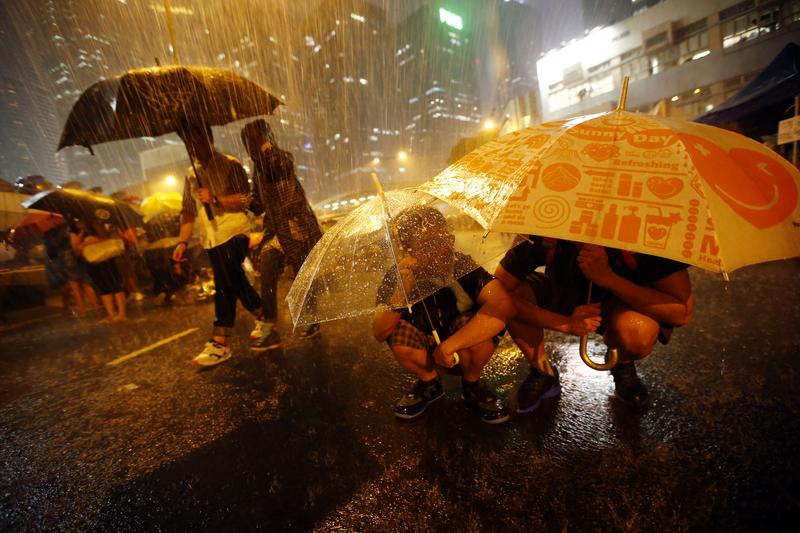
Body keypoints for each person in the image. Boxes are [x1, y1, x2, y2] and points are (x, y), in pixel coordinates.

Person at [494, 236, 693, 410]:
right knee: (511, 296)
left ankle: (621, 361)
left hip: (622, 301)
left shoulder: (645, 232)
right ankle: (542, 369)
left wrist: (608, 279)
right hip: (560, 290)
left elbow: (680, 312)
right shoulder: (548, 224)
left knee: (638, 333)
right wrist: (565, 324)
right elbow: (496, 291)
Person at [372, 206, 516, 424]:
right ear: (408, 251)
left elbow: (503, 304)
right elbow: (379, 331)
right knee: (398, 333)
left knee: (478, 324)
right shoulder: (399, 274)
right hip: (426, 346)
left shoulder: (462, 265)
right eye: (428, 244)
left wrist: (449, 345)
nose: (443, 248)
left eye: (445, 238)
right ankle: (429, 382)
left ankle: (472, 383)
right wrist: (401, 294)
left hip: (459, 345)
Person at [172, 121, 267, 367]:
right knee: (233, 279)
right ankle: (265, 315)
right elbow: (188, 211)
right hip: (211, 237)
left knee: (225, 283)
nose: (192, 147)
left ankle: (220, 341)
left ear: (208, 139)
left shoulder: (229, 164)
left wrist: (216, 199)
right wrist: (182, 241)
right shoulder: (191, 174)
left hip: (234, 231)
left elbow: (246, 199)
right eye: (187, 143)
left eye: (196, 141)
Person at [241, 119, 324, 348]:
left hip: (295, 225)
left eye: (255, 139)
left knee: (302, 274)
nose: (252, 145)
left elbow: (280, 168)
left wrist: (268, 149)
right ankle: (268, 322)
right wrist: (245, 200)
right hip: (276, 230)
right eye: (247, 141)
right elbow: (258, 204)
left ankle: (311, 317)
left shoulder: (281, 157)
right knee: (267, 266)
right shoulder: (257, 171)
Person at [70, 219, 127, 323]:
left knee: (115, 285)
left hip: (106, 259)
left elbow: (109, 239)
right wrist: (80, 242)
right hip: (91, 262)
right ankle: (111, 314)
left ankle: (122, 313)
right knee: (103, 287)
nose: (78, 222)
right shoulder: (75, 231)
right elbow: (76, 251)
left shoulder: (96, 224)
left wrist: (94, 241)